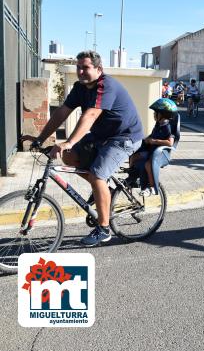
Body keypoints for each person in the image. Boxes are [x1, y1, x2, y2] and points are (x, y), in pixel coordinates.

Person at [21, 50, 144, 246]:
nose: (80, 72)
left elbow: (90, 116)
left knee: (97, 175)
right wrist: (41, 138)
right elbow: (61, 113)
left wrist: (68, 142)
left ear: (98, 69)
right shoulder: (80, 88)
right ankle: (105, 191)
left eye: (85, 67)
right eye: (78, 67)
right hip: (101, 135)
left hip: (125, 137)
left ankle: (103, 229)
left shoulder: (107, 86)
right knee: (69, 156)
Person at [129, 98, 177, 196]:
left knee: (147, 164)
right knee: (133, 156)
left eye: (156, 112)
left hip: (159, 154)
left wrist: (154, 141)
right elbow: (152, 136)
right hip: (150, 150)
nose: (154, 114)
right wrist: (145, 140)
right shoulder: (158, 124)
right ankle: (133, 177)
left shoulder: (168, 127)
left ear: (162, 114)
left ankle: (152, 187)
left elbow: (170, 143)